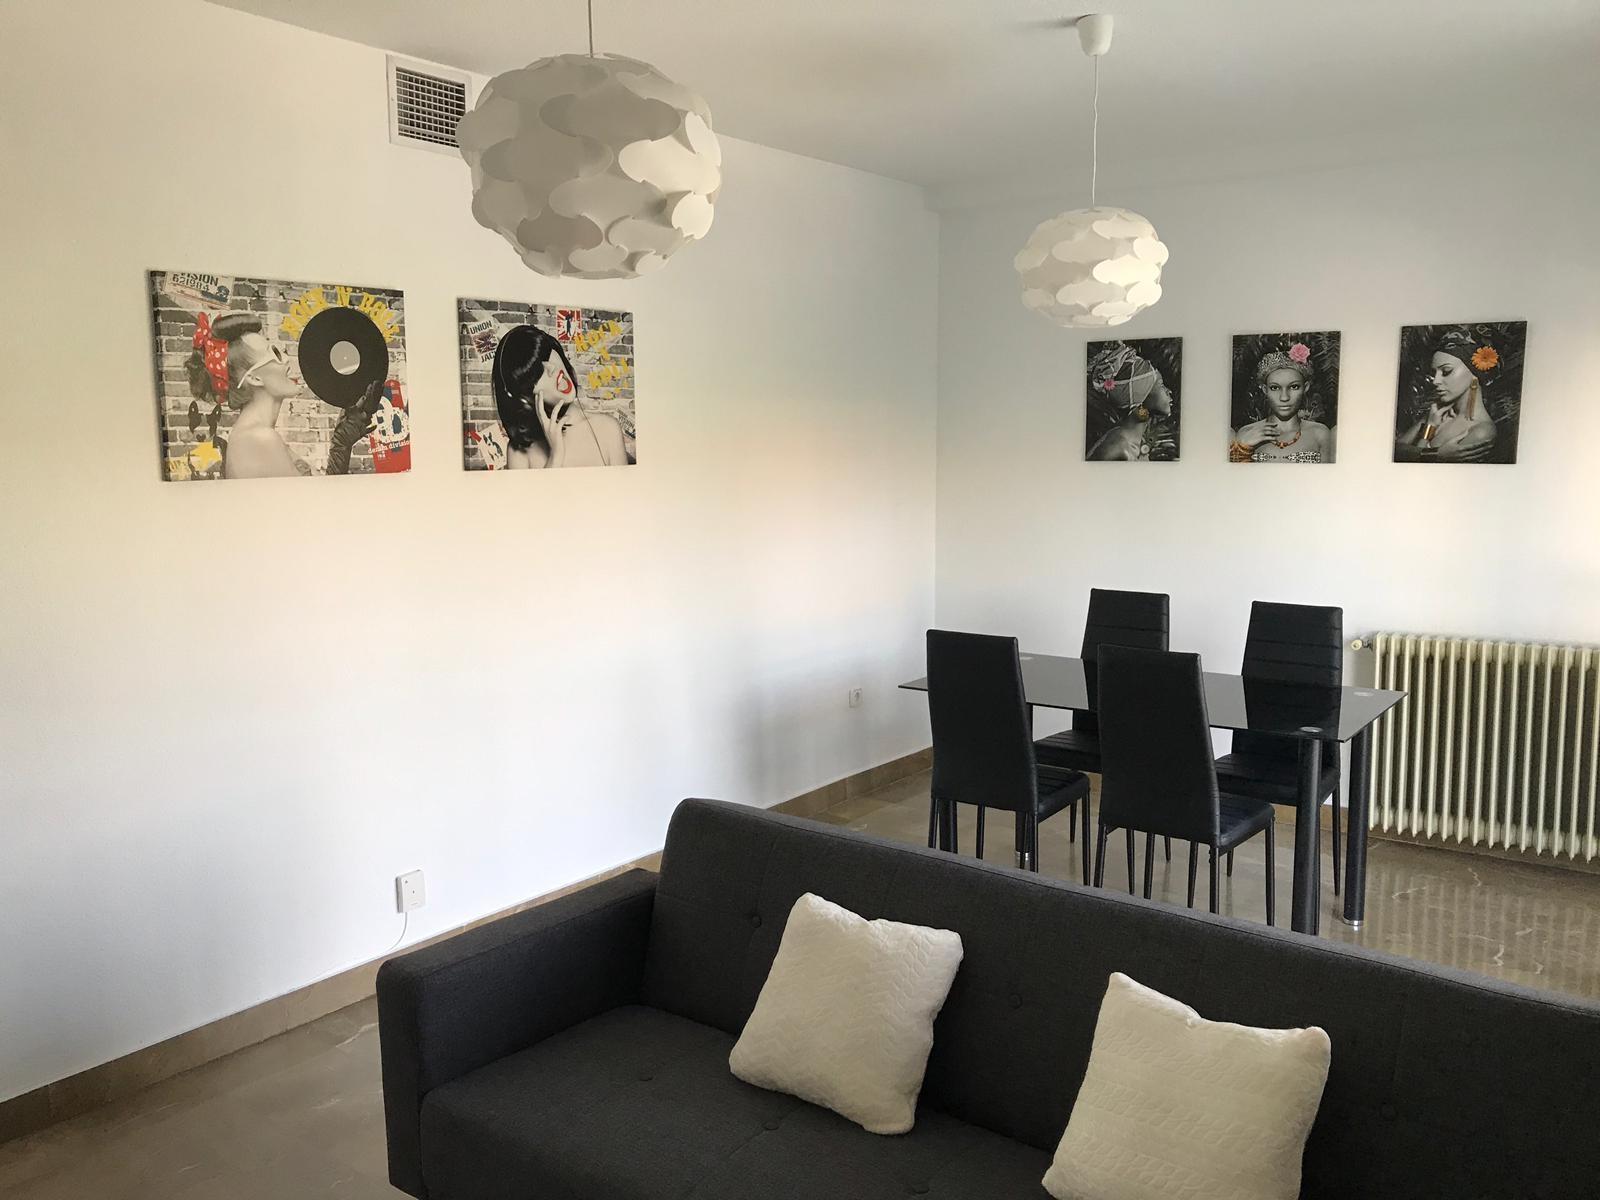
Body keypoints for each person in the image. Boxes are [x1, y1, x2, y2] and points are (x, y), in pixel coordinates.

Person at [185, 311, 378, 478]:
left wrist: (341, 443)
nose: (286, 358)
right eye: (275, 353)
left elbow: (318, 497)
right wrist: (340, 445)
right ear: (254, 378)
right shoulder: (259, 439)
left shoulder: (252, 435)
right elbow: (326, 504)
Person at [492, 324, 631, 468]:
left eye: (546, 353)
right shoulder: (519, 452)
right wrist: (555, 456)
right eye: (536, 374)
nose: (551, 368)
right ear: (524, 399)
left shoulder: (608, 429)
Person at [1394, 327, 1498, 462]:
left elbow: (1416, 469)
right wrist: (1430, 428)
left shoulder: (1481, 432)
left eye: (1446, 371)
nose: (1435, 381)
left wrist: (1428, 450)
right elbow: (1396, 450)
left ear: (1475, 373)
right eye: (1434, 373)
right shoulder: (1437, 413)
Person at [1229, 344, 1334, 463]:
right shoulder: (1247, 433)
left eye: (1294, 387)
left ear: (1306, 388)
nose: (1284, 397)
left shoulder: (1320, 434)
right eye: (1275, 388)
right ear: (1265, 390)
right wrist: (1243, 450)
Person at [1086, 342, 1177, 462]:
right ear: (1140, 397)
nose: (1169, 391)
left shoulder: (1136, 444)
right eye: (1162, 385)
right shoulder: (1117, 446)